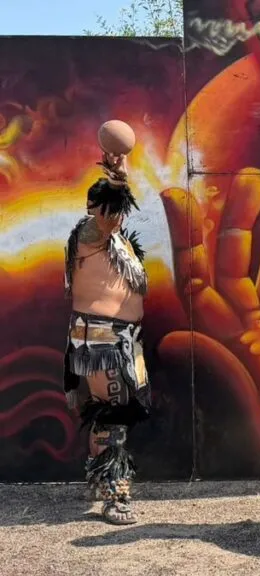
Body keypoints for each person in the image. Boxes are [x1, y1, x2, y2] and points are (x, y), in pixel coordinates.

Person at [63, 150, 151, 525]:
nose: (116, 217)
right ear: (92, 209)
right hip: (100, 339)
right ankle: (115, 496)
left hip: (123, 339)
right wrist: (118, 180)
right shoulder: (88, 234)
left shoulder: (119, 243)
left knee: (113, 410)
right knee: (112, 414)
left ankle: (100, 481)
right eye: (108, 208)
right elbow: (110, 212)